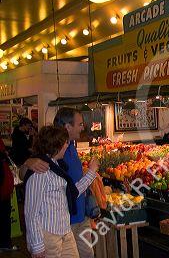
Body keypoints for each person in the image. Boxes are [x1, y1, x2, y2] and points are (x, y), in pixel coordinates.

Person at [20, 108, 98, 258]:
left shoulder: (59, 165)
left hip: (66, 226)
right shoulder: (41, 169)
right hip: (52, 232)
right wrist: (37, 245)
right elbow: (31, 212)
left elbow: (72, 191)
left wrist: (91, 173)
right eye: (80, 124)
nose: (67, 145)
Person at [0, 149, 17, 253]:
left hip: (4, 192)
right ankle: (4, 244)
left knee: (4, 218)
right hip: (2, 192)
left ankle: (4, 243)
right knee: (3, 218)